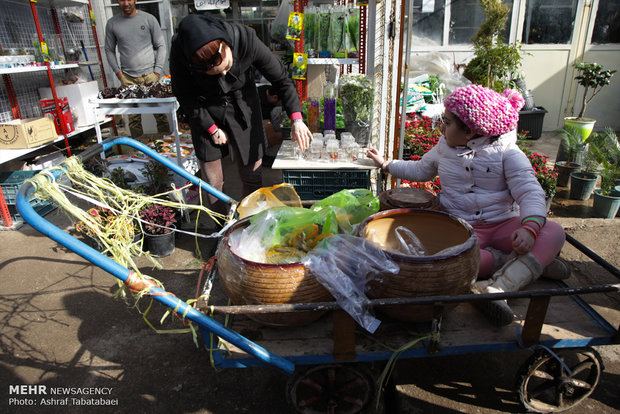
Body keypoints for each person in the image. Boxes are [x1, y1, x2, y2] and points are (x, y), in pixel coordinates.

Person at [366, 84, 568, 326]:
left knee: (554, 231)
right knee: (451, 261)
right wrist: (386, 164)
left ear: (470, 131)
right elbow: (420, 169)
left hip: (504, 225)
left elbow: (529, 191)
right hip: (462, 229)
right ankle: (524, 264)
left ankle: (498, 288)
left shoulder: (508, 153)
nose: (442, 126)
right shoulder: (443, 148)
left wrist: (528, 228)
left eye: (447, 122)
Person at [170, 13, 313, 215]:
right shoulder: (181, 52)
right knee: (213, 182)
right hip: (203, 110)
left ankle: (251, 223)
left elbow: (281, 79)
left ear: (226, 46)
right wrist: (211, 129)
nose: (223, 75)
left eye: (227, 67)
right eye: (216, 74)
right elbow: (184, 95)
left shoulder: (246, 39)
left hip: (243, 104)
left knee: (252, 174)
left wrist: (296, 118)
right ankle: (222, 228)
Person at [104, 0, 169, 138]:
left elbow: (161, 46)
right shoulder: (112, 23)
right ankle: (139, 152)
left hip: (150, 76)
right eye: (122, 0)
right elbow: (109, 50)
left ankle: (167, 149)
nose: (126, 3)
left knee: (160, 114)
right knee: (133, 119)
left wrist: (157, 71)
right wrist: (119, 74)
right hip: (128, 78)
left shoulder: (149, 19)